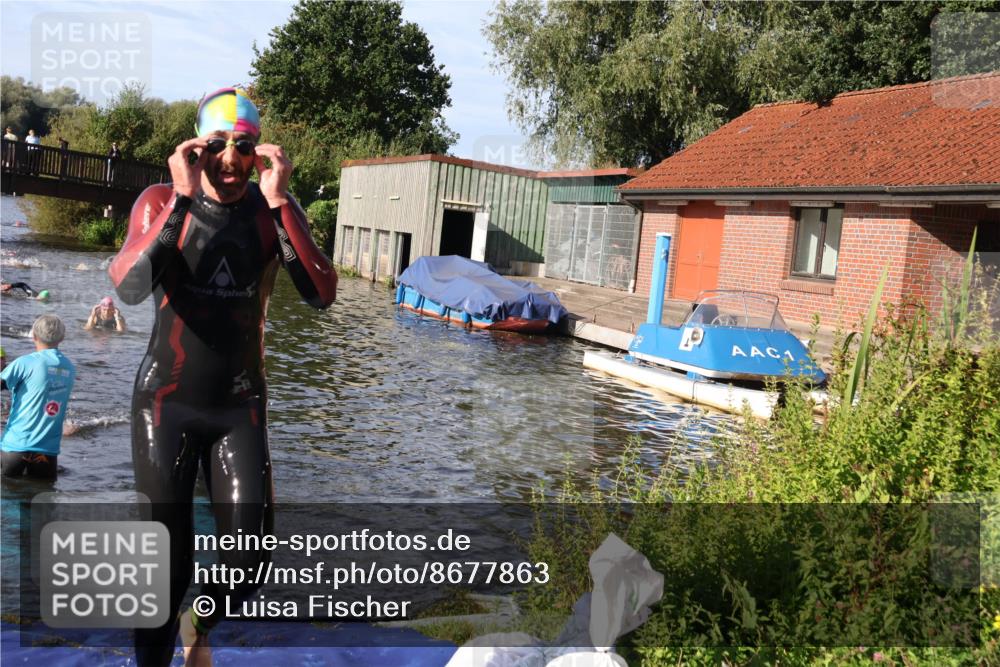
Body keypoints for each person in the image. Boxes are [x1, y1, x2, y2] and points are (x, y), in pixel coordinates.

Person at [108, 87, 337, 667]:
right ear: (196, 149)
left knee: (249, 562)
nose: (231, 161)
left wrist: (282, 203)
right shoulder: (160, 199)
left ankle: (198, 621)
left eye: (244, 146)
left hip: (240, 407)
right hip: (165, 403)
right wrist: (183, 200)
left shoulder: (271, 209)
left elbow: (320, 295)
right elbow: (129, 286)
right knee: (167, 564)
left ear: (259, 152)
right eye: (218, 145)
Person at [0, 315, 75, 480]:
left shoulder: (25, 362)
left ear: (33, 335)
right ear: (62, 338)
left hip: (16, 447)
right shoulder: (70, 367)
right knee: (41, 502)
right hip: (47, 453)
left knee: (8, 500)